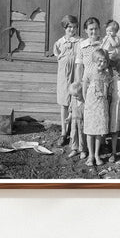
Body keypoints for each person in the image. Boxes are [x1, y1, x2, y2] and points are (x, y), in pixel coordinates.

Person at [52, 15, 80, 147]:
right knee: (64, 103)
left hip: (76, 74)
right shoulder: (59, 42)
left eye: (74, 27)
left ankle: (74, 133)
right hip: (64, 75)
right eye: (69, 27)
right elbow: (58, 55)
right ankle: (64, 133)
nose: (72, 30)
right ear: (65, 27)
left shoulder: (80, 41)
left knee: (76, 102)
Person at [83, 49, 112, 166]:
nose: (102, 64)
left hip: (101, 106)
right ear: (94, 61)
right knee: (90, 131)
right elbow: (84, 89)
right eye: (99, 61)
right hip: (90, 105)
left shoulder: (107, 75)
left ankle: (96, 154)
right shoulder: (89, 73)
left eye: (104, 62)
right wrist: (87, 103)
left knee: (99, 131)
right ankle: (90, 155)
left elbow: (108, 90)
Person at [75, 17, 102, 82]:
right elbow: (79, 67)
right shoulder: (82, 45)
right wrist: (78, 83)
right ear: (86, 30)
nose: (94, 31)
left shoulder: (104, 43)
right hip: (87, 81)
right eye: (91, 29)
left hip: (101, 81)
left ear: (99, 29)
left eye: (96, 28)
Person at [65, 82, 87, 159]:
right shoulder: (73, 101)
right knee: (73, 135)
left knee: (82, 136)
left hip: (82, 122)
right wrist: (68, 118)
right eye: (73, 96)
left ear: (82, 93)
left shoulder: (85, 102)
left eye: (77, 95)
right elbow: (71, 111)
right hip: (74, 122)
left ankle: (83, 150)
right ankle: (74, 149)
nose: (75, 97)